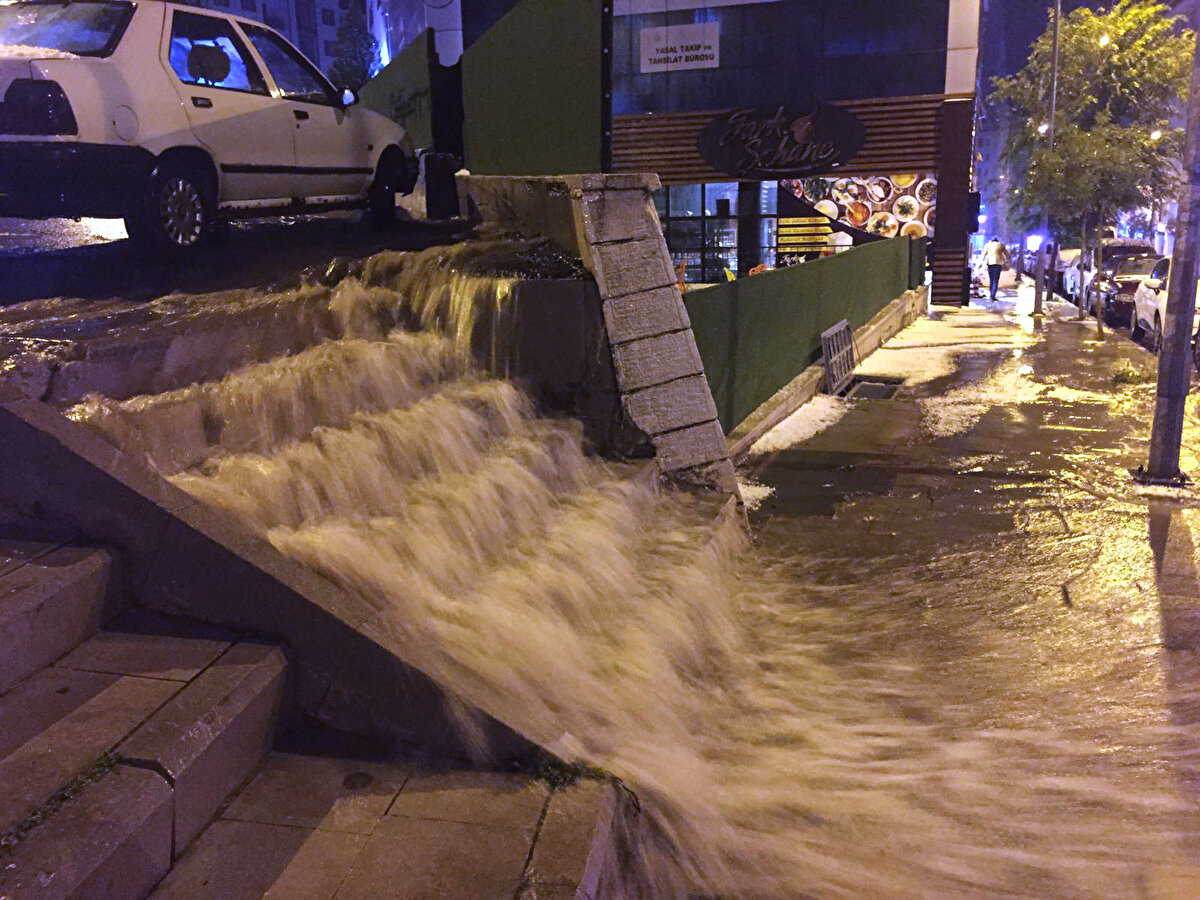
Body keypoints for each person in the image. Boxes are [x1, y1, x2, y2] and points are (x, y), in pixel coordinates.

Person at [984, 237, 1011, 302]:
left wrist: (980, 263)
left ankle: (991, 294)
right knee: (995, 280)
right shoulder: (1001, 245)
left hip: (990, 263)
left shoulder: (987, 245)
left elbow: (984, 254)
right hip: (998, 264)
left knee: (991, 279)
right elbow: (1007, 254)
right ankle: (993, 296)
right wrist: (1007, 260)